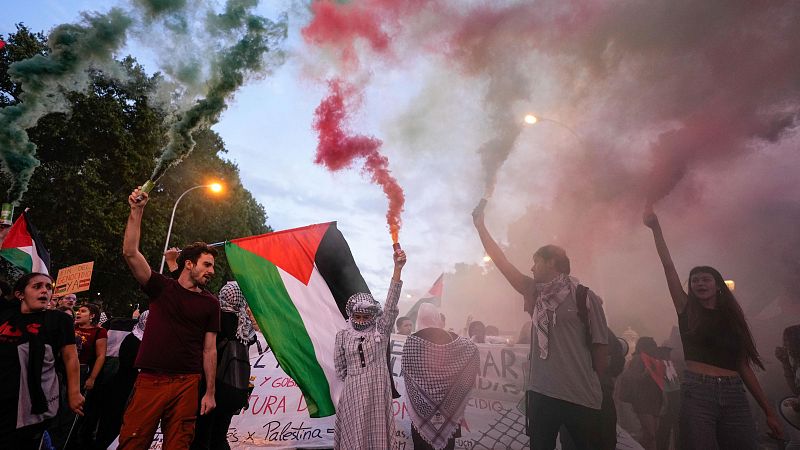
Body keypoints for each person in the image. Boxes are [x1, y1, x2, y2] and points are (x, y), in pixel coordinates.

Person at [472, 199, 608, 450]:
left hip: (581, 396)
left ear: (552, 262)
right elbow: (501, 262)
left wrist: (602, 389)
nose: (531, 268)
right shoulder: (534, 293)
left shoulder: (585, 297)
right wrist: (481, 227)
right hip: (541, 394)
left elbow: (600, 348)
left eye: (536, 262)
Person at [643, 206, 783, 448]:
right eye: (695, 280)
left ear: (718, 285)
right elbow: (668, 266)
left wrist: (769, 411)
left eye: (705, 279)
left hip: (734, 393)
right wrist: (656, 229)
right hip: (698, 391)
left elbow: (743, 366)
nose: (699, 283)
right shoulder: (686, 309)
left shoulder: (732, 319)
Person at [119, 187, 221, 450]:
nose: (211, 271)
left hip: (188, 382)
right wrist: (136, 210)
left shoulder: (211, 303)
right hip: (150, 380)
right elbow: (131, 253)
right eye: (207, 264)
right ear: (189, 264)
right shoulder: (161, 287)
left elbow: (209, 350)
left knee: (179, 445)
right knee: (133, 441)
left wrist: (209, 392)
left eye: (212, 267)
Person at [0, 273, 84, 449]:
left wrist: (74, 392)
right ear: (20, 294)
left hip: (30, 402)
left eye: (48, 287)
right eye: (37, 286)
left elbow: (70, 357)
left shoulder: (59, 320)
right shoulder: (5, 314)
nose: (44, 291)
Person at [333, 248, 406, 450]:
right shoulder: (342, 335)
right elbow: (340, 370)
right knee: (354, 435)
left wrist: (397, 269)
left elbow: (391, 305)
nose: (362, 321)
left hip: (376, 393)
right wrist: (356, 379)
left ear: (373, 316)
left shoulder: (380, 331)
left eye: (366, 317)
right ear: (351, 315)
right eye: (358, 317)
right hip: (353, 395)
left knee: (376, 437)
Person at [402, 303, 479, 450]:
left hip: (421, 414)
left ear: (419, 319)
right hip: (450, 412)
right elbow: (472, 351)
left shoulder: (411, 342)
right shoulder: (454, 340)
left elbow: (409, 376)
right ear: (437, 318)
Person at [192, 282, 257, 450]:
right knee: (219, 435)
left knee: (201, 434)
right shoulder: (244, 323)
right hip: (232, 387)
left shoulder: (217, 317)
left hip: (211, 383)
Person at [94, 311, 148, 449]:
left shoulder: (155, 340)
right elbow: (127, 362)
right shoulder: (132, 339)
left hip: (142, 388)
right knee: (114, 420)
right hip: (125, 386)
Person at [70, 303, 107, 448]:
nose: (78, 313)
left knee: (77, 408)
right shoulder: (72, 327)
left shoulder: (99, 332)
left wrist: (92, 378)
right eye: (78, 311)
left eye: (83, 311)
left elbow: (100, 356)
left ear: (92, 316)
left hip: (83, 372)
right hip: (66, 370)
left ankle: (73, 439)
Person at [621, 337, 662, 450]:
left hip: (654, 402)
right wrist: (644, 375)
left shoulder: (655, 360)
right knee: (650, 435)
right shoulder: (637, 359)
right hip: (643, 403)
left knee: (649, 435)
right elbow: (630, 379)